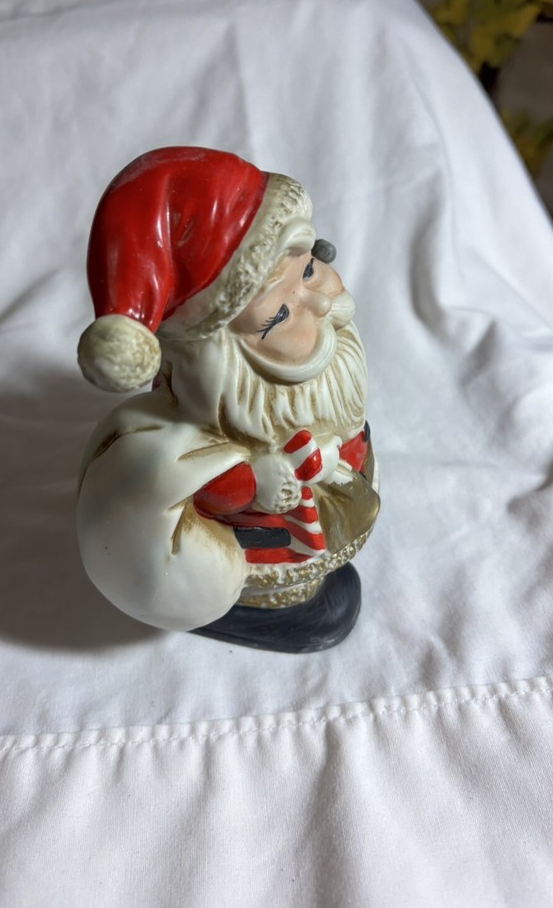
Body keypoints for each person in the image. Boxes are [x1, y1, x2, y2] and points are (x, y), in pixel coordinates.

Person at [76, 147, 379, 650]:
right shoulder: (201, 430)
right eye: (278, 317)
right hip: (261, 558)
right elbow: (198, 483)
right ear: (218, 358)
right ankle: (260, 610)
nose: (321, 302)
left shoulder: (327, 353)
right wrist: (252, 482)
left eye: (309, 270)